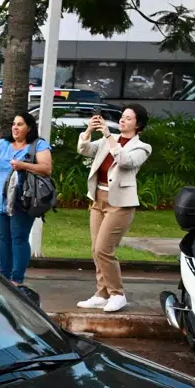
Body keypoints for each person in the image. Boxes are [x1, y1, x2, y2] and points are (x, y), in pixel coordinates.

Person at [77, 105, 152, 313]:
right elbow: (84, 150)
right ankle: (101, 293)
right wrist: (89, 131)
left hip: (120, 204)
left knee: (104, 250)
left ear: (138, 125)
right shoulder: (109, 139)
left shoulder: (142, 147)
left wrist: (109, 136)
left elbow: (124, 161)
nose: (123, 120)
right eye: (122, 117)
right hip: (98, 199)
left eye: (128, 118)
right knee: (95, 250)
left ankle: (117, 294)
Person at [0, 111, 52, 286]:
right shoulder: (4, 144)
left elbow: (46, 168)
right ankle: (4, 277)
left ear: (29, 128)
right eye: (14, 124)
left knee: (19, 238)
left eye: (20, 124)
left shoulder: (38, 145)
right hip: (0, 200)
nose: (15, 127)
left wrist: (23, 165)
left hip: (22, 200)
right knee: (4, 239)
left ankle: (16, 279)